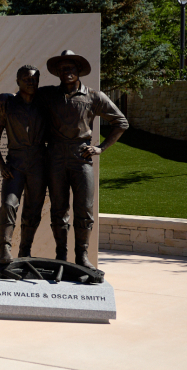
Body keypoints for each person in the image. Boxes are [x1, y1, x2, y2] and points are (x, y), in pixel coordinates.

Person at [40, 50, 128, 269]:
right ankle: (61, 255)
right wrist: (4, 99)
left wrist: (100, 148)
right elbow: (22, 95)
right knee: (58, 209)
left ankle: (82, 256)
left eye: (70, 68)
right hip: (55, 156)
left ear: (78, 70)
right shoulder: (48, 94)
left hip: (81, 157)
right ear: (58, 73)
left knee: (85, 208)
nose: (66, 72)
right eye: (62, 69)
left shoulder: (93, 96)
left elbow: (121, 123)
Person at [0, 65, 48, 263]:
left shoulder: (45, 103)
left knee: (33, 210)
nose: (31, 82)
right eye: (27, 79)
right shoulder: (6, 104)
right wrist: (1, 165)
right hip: (15, 163)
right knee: (8, 205)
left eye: (34, 79)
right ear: (18, 81)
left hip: (39, 164)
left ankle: (25, 250)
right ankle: (4, 250)